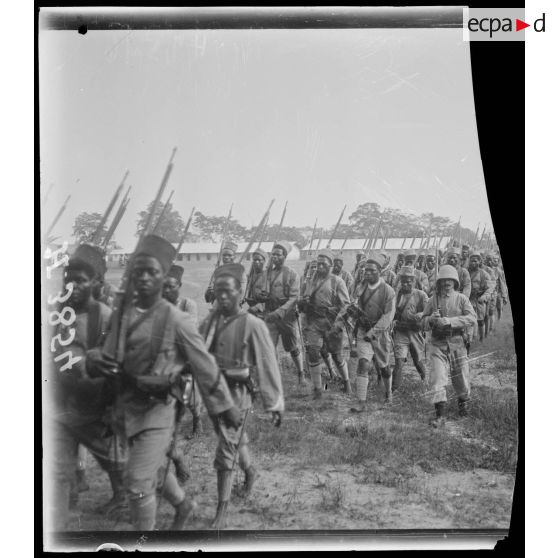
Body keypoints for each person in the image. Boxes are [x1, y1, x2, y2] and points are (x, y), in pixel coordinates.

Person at [87, 235, 241, 531]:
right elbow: (106, 356)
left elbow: (205, 366)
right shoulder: (121, 314)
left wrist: (224, 407)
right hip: (124, 409)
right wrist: (95, 358)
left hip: (158, 411)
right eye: (138, 271)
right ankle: (184, 504)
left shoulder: (177, 319)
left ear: (163, 277)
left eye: (152, 272)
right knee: (154, 466)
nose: (144, 278)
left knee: (136, 483)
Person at [46, 244, 126, 532]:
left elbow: (113, 361)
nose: (73, 285)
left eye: (80, 280)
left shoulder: (104, 316)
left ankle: (124, 497)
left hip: (92, 404)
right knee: (59, 463)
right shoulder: (59, 312)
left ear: (96, 284)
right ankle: (61, 512)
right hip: (61, 403)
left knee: (113, 459)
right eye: (69, 279)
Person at [199, 263, 284, 530]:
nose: (222, 297)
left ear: (240, 293)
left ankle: (221, 508)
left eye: (229, 291)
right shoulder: (209, 322)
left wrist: (274, 402)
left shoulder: (252, 324)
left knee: (226, 448)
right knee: (233, 440)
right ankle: (250, 471)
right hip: (213, 391)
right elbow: (196, 354)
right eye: (218, 291)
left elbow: (268, 364)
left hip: (237, 394)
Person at [421, 265, 477, 428]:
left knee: (461, 379)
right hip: (437, 345)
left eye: (450, 280)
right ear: (439, 282)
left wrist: (451, 321)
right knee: (438, 378)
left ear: (455, 282)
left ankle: (464, 405)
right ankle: (440, 415)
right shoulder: (433, 300)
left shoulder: (461, 299)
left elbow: (472, 318)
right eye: (443, 280)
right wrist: (431, 318)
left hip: (457, 344)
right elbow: (422, 323)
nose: (446, 283)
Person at [162, 264, 202, 485]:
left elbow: (189, 331)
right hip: (162, 367)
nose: (165, 291)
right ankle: (175, 460)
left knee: (191, 400)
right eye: (162, 287)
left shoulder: (188, 305)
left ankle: (197, 421)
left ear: (179, 286)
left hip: (184, 361)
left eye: (170, 287)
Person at [299, 250, 352, 397]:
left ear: (330, 265)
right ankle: (318, 389)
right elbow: (301, 300)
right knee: (314, 353)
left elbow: (346, 305)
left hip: (331, 323)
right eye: (318, 264)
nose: (320, 267)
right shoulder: (309, 281)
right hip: (313, 322)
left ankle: (346, 382)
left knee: (337, 356)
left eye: (324, 264)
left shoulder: (337, 281)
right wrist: (302, 302)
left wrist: (338, 324)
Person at [348, 257, 395, 412]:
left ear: (379, 272)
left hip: (380, 334)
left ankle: (388, 393)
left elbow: (388, 315)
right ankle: (361, 402)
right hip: (363, 331)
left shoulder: (388, 290)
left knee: (384, 367)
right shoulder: (360, 288)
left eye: (371, 271)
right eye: (365, 270)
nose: (367, 273)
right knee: (363, 363)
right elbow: (354, 307)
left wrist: (374, 331)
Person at [256, 242, 307, 384]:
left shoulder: (291, 274)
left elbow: (294, 298)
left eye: (278, 254)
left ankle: (301, 373)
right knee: (269, 347)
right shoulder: (266, 274)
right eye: (273, 254)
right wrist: (261, 296)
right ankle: (275, 376)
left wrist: (280, 311)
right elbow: (257, 292)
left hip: (287, 316)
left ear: (284, 256)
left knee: (292, 347)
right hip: (269, 314)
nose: (275, 257)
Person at [391, 266, 429, 391]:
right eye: (403, 281)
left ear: (414, 281)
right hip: (401, 332)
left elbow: (428, 311)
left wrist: (421, 314)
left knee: (417, 361)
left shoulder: (421, 295)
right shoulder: (396, 296)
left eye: (409, 281)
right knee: (399, 362)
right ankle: (392, 392)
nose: (406, 283)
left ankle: (425, 381)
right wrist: (393, 320)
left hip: (415, 332)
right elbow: (392, 312)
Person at [467, 251, 495, 342]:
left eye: (475, 261)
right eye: (471, 261)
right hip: (469, 299)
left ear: (479, 262)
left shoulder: (484, 274)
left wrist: (484, 296)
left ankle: (481, 339)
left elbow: (489, 288)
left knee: (480, 321)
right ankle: (469, 340)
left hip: (479, 300)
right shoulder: (466, 272)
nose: (473, 263)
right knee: (468, 320)